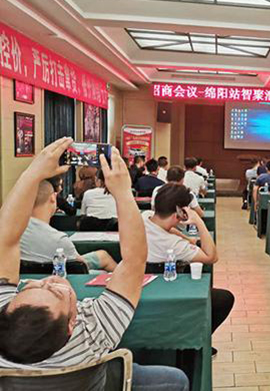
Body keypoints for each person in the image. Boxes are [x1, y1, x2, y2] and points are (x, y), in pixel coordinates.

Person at [0, 139, 189, 390]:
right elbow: (134, 260)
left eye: (32, 286)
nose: (49, 281)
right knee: (176, 380)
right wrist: (123, 192)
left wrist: (32, 174)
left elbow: (6, 240)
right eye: (56, 292)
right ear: (72, 324)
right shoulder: (92, 330)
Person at [142, 183, 234, 342]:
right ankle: (197, 340)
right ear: (179, 212)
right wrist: (198, 221)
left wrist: (186, 238)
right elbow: (211, 257)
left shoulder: (145, 216)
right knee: (224, 298)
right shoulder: (174, 245)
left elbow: (166, 228)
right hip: (167, 292)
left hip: (140, 283)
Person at [20, 179, 116, 272]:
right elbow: (79, 266)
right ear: (53, 198)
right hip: (58, 273)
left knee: (102, 256)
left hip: (28, 271)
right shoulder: (60, 240)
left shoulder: (14, 235)